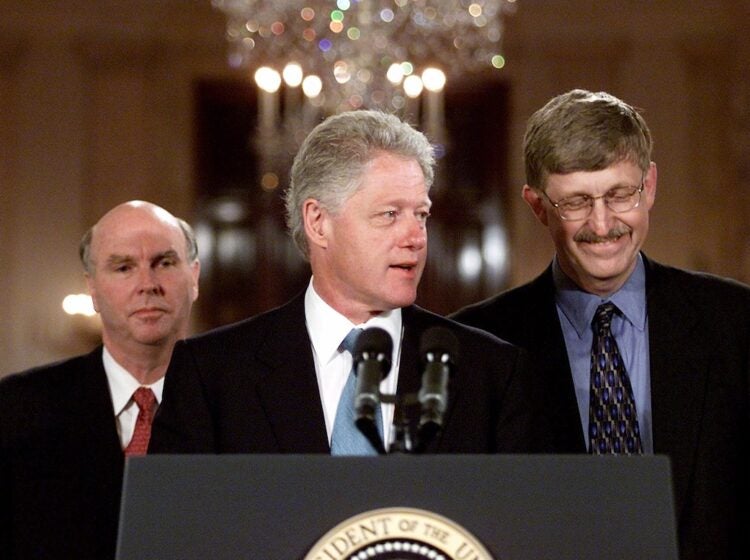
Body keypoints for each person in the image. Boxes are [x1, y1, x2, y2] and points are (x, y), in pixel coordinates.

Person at [451, 89, 749, 560]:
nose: (603, 223)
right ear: (537, 206)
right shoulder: (472, 345)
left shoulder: (737, 323)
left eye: (619, 194)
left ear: (649, 186)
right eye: (576, 202)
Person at [149, 110, 539, 458]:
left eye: (421, 214)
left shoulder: (490, 372)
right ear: (318, 222)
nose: (416, 237)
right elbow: (173, 529)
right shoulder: (212, 374)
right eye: (389, 214)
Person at [0, 200, 200, 559]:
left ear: (194, 277)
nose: (147, 284)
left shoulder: (239, 404)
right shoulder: (16, 409)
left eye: (164, 263)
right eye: (124, 267)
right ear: (92, 288)